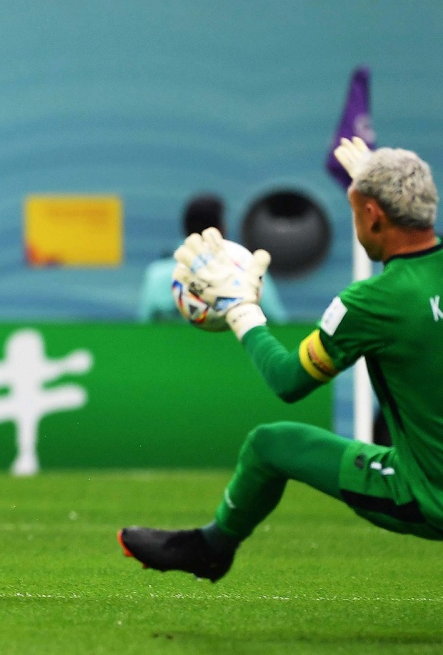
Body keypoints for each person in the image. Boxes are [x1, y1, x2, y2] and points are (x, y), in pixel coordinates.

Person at [119, 139, 443, 581]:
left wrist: (240, 312)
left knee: (270, 445)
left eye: (355, 213)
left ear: (371, 215)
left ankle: (211, 548)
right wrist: (377, 181)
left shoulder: (373, 303)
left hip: (428, 492)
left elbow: (288, 381)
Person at [137, 194, 287, 323]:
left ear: (184, 228)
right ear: (222, 228)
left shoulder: (156, 275)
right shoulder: (250, 269)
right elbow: (278, 322)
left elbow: (146, 329)